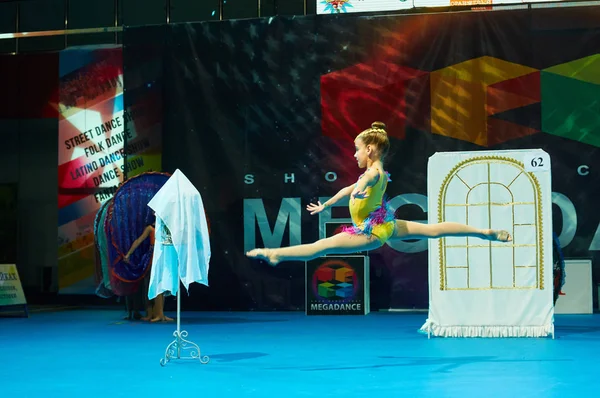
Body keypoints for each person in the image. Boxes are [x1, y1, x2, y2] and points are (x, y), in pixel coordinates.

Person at [246, 121, 512, 266]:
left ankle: (276, 253)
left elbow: (362, 186)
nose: (354, 154)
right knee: (434, 229)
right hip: (385, 223)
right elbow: (349, 188)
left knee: (320, 247)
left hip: (370, 232)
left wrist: (360, 193)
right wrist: (328, 205)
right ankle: (485, 234)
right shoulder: (375, 172)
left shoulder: (374, 173)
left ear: (370, 149)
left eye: (357, 149)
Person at [125, 221, 173, 322]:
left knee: (162, 285)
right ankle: (150, 313)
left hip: (164, 257)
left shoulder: (167, 227)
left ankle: (160, 313)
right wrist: (129, 253)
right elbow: (139, 240)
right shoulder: (150, 228)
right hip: (152, 258)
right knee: (151, 285)